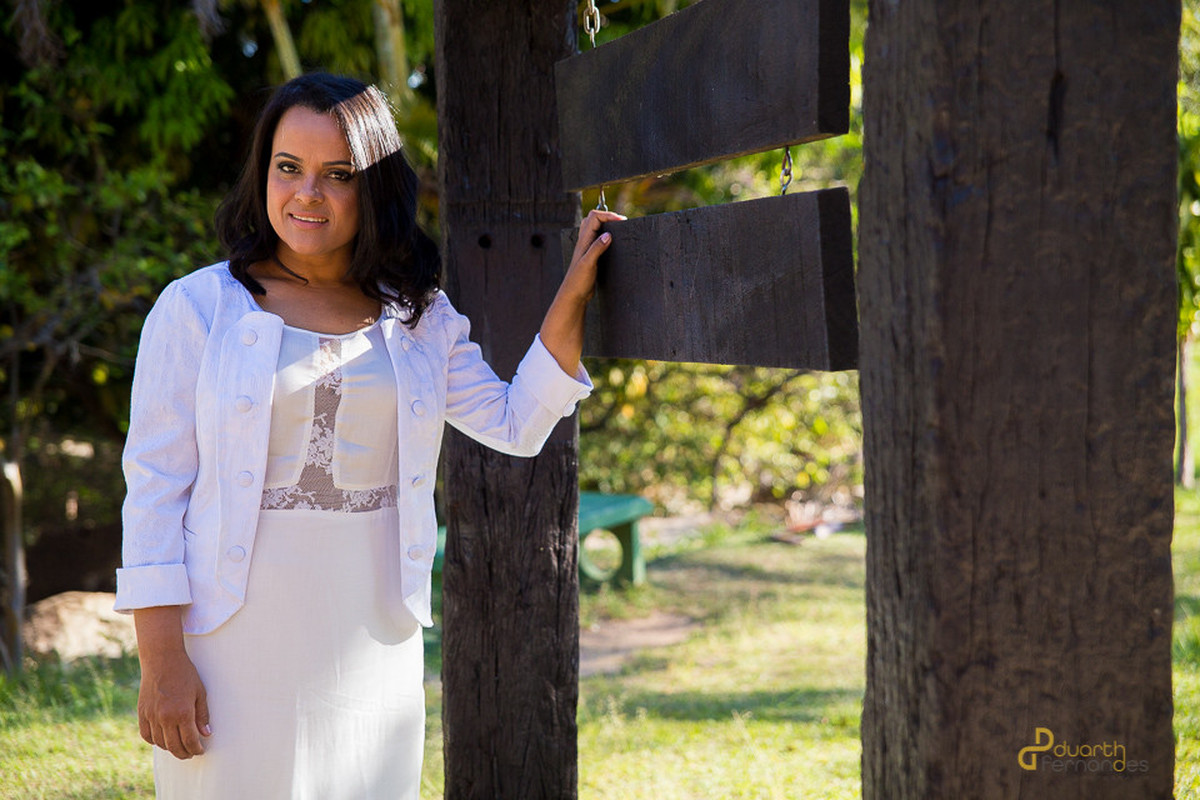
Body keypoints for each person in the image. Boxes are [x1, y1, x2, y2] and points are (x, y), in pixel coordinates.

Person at [114, 72, 622, 799]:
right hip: (230, 645)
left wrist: (573, 291)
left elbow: (516, 424)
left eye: (338, 175)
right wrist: (161, 661)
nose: (306, 194)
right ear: (263, 174)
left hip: (371, 642)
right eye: (288, 168)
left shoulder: (418, 317)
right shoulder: (198, 308)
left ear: (374, 186)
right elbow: (157, 490)